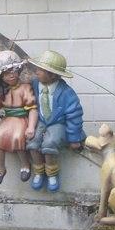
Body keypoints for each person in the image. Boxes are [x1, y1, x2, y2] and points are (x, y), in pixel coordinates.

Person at [26, 50, 85, 192]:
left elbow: (74, 115)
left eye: (41, 70)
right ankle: (38, 171)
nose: (36, 72)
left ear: (52, 74)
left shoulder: (66, 93)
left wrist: (74, 138)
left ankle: (52, 173)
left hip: (57, 122)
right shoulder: (33, 85)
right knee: (32, 141)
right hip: (40, 120)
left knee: (50, 142)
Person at [0, 51, 38, 186]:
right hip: (7, 120)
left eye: (14, 71)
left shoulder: (25, 87)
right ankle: (1, 169)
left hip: (21, 119)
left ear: (19, 70)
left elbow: (32, 108)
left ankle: (25, 164)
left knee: (18, 137)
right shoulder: (0, 90)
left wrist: (31, 127)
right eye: (6, 73)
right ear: (1, 77)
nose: (11, 75)